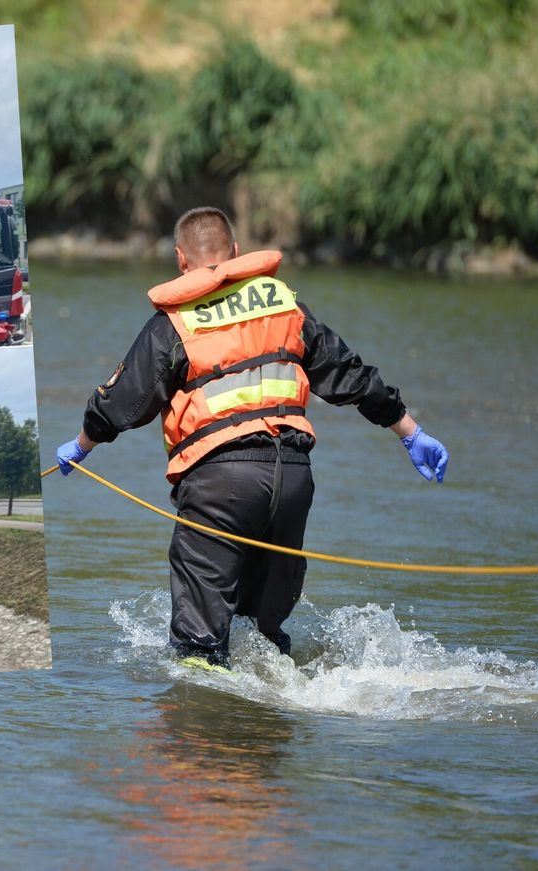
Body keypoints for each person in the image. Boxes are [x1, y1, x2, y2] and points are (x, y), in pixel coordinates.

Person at [55, 206, 449, 669]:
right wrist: (409, 430)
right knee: (261, 642)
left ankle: (204, 728)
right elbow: (350, 376)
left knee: (198, 653)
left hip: (221, 485)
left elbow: (123, 402)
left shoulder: (176, 323)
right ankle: (266, 731)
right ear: (236, 253)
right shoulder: (285, 306)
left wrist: (81, 445)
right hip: (293, 481)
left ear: (182, 260)